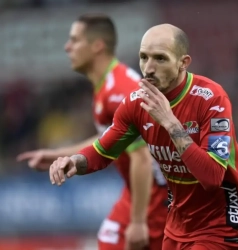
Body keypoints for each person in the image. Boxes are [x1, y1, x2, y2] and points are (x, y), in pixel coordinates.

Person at [49, 23, 238, 250]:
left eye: (160, 58)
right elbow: (103, 150)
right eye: (144, 57)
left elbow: (212, 176)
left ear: (183, 63)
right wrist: (75, 161)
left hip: (224, 224)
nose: (148, 68)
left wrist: (170, 122)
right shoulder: (135, 102)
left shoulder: (211, 99)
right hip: (179, 225)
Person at [17, 14, 168, 250]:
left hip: (156, 196)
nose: (67, 47)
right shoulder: (109, 85)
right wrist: (59, 155)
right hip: (139, 193)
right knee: (106, 241)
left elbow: (141, 157)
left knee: (110, 242)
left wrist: (138, 222)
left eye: (75, 40)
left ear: (97, 46)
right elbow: (111, 138)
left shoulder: (119, 91)